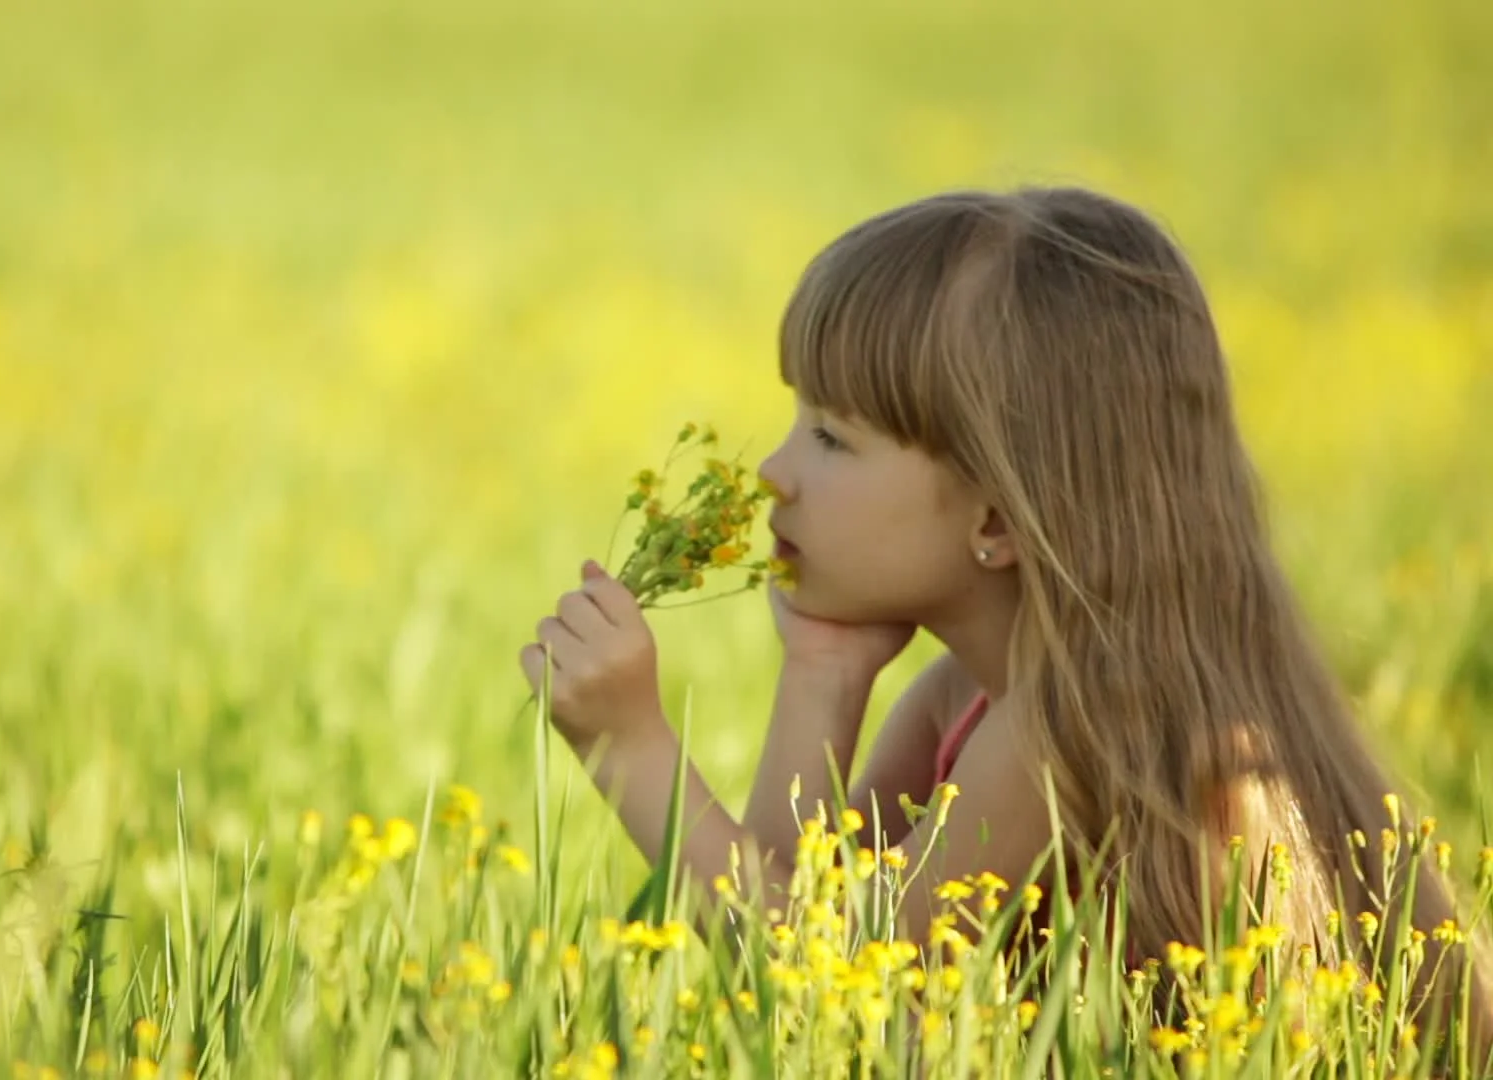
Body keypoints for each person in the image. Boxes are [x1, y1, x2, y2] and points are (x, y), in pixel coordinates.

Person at [517, 185, 1487, 1040]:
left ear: (995, 517)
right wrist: (823, 675)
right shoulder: (964, 701)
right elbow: (781, 939)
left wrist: (633, 753)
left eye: (830, 438)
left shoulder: (1071, 725)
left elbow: (830, 991)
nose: (774, 471)